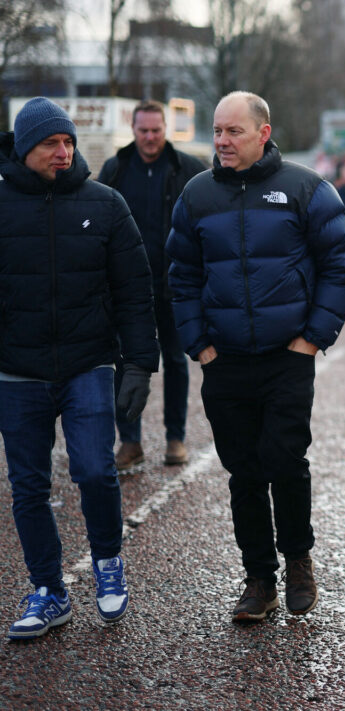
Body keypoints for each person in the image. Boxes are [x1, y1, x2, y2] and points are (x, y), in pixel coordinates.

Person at [166, 91, 345, 623]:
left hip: (286, 356)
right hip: (224, 359)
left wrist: (312, 339)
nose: (223, 141)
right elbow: (180, 274)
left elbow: (342, 263)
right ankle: (259, 580)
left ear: (263, 132)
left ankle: (298, 559)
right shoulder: (197, 195)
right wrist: (199, 346)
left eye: (234, 131)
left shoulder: (305, 189)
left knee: (283, 460)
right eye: (218, 131)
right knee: (243, 471)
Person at [0, 98, 159, 638]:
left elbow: (135, 292)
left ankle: (108, 563)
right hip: (17, 372)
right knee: (28, 486)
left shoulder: (106, 204)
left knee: (94, 469)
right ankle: (48, 590)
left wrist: (139, 363)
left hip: (88, 363)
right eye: (51, 143)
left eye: (67, 141)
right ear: (25, 149)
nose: (63, 151)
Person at [98, 100, 207, 470]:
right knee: (125, 362)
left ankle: (175, 438)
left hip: (173, 285)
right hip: (126, 289)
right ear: (133, 128)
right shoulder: (115, 169)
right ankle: (130, 441)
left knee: (176, 361)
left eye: (156, 130)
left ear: (166, 129)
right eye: (143, 130)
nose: (149, 137)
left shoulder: (188, 169)